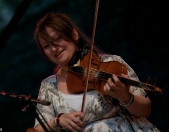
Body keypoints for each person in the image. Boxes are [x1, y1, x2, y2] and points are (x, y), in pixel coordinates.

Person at [30, 12, 160, 132]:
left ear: (74, 35)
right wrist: (58, 121)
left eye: (58, 38)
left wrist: (124, 96)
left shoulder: (111, 62)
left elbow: (145, 110)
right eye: (47, 46)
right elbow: (37, 130)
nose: (53, 48)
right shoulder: (48, 86)